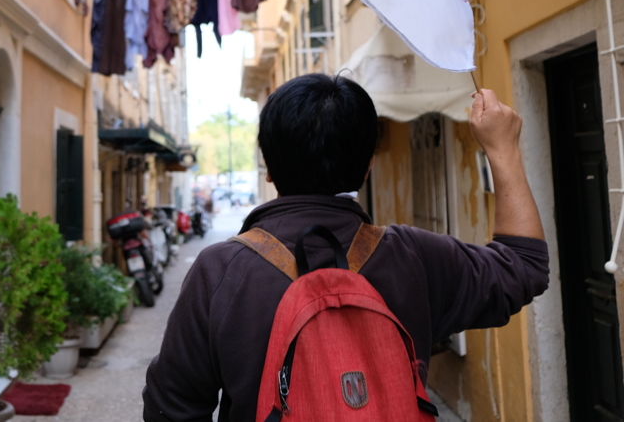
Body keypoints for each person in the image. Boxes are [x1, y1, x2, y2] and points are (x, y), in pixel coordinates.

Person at [143, 74, 548, 422]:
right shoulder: (413, 257)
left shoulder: (221, 271)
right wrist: (503, 149)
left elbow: (171, 407)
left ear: (268, 166)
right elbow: (524, 265)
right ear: (368, 163)